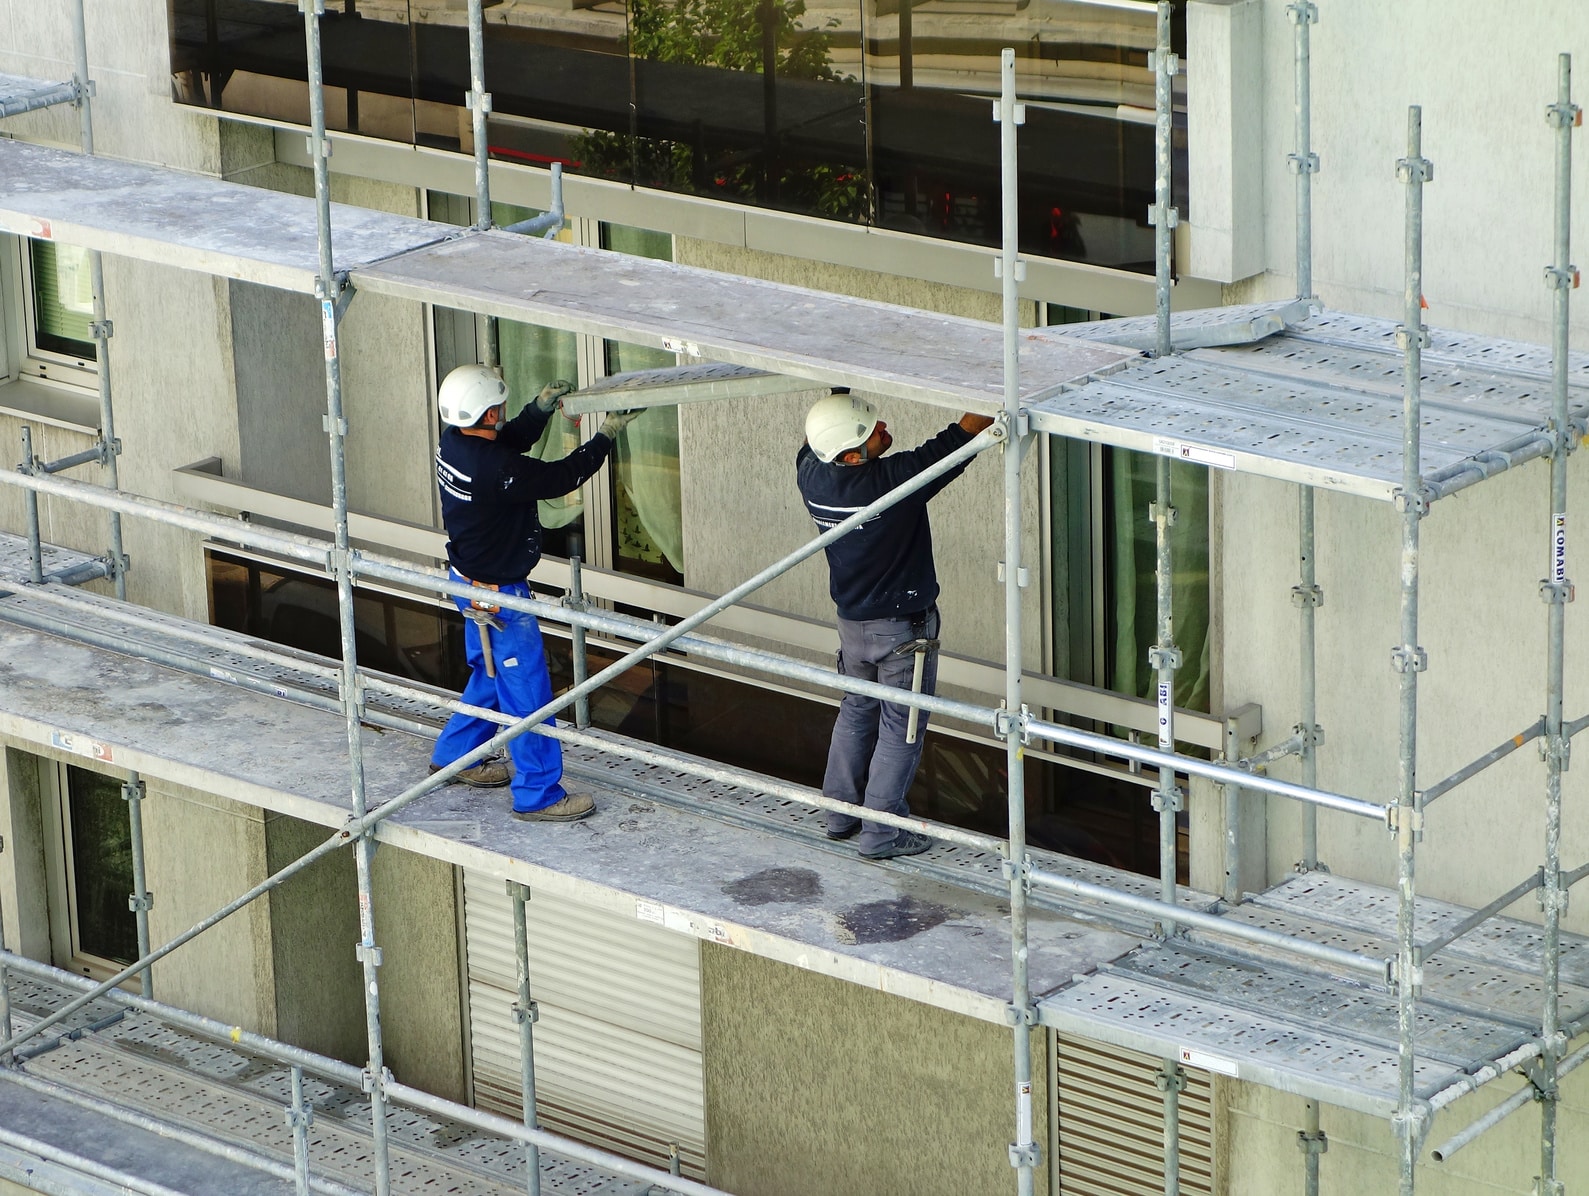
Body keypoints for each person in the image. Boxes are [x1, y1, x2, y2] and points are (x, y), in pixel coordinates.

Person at [429, 364, 638, 821]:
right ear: (487, 414)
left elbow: (506, 444)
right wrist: (605, 435)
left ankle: (455, 754)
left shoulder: (454, 441)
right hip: (500, 597)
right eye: (499, 408)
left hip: (467, 582)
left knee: (489, 673)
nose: (504, 413)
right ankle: (539, 794)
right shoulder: (494, 468)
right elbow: (557, 478)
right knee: (528, 694)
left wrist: (538, 412)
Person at [796, 390, 994, 859]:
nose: (883, 426)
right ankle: (883, 832)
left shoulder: (811, 475)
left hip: (852, 625)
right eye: (871, 432)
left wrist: (838, 398)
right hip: (904, 633)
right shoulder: (890, 483)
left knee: (856, 710)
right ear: (851, 454)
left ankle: (839, 814)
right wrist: (997, 388)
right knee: (900, 727)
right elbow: (957, 442)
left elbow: (813, 440)